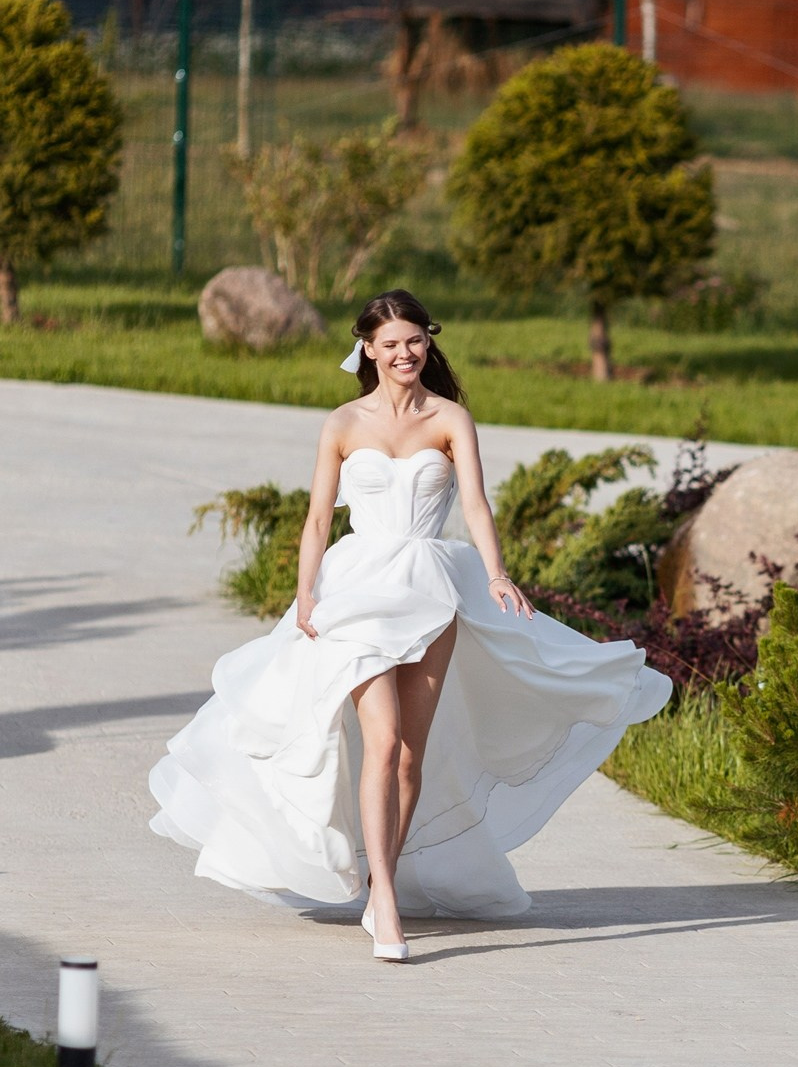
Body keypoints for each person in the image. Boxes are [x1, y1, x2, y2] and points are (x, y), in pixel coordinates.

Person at [149, 288, 672, 961]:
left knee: (408, 757)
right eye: (391, 343)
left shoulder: (451, 418)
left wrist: (497, 573)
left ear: (429, 341)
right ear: (367, 348)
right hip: (356, 592)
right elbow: (316, 519)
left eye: (415, 340)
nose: (405, 353)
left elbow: (477, 506)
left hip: (431, 588)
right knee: (384, 737)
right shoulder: (341, 423)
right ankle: (389, 903)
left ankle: (379, 881)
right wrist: (305, 593)